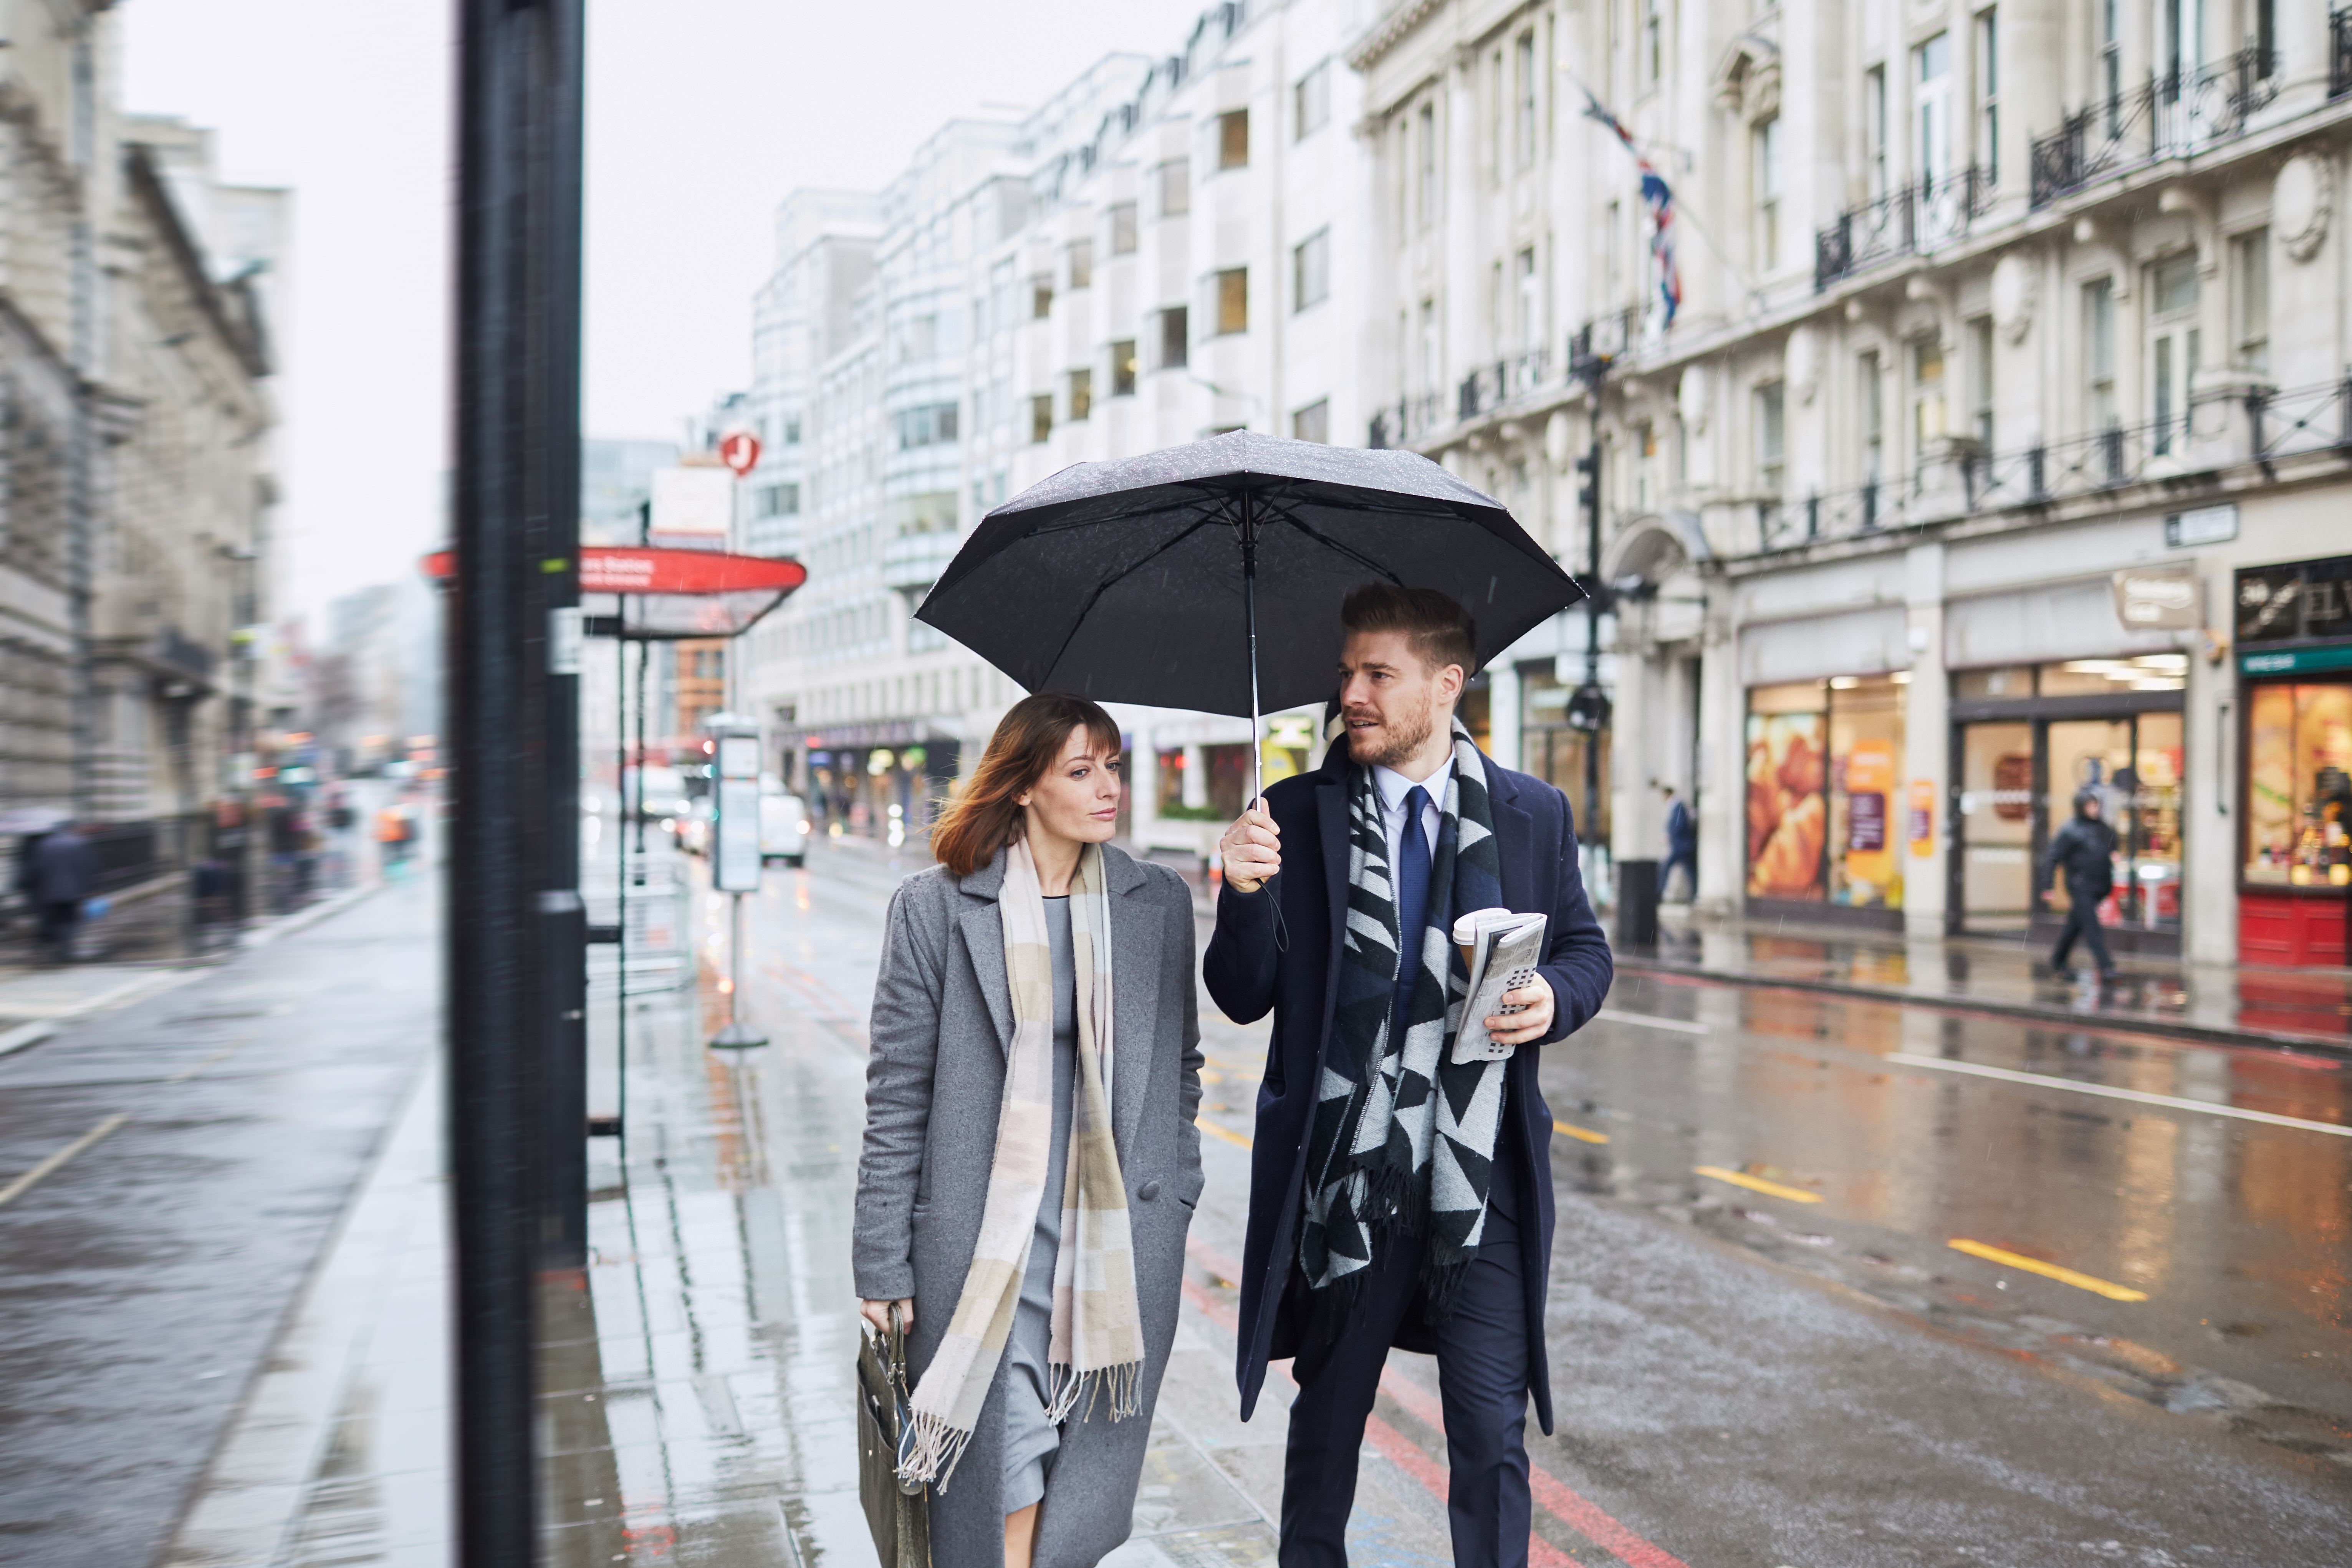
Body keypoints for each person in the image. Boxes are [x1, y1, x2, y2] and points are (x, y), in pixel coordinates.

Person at [1204, 584, 1614, 1568]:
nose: (1352, 691)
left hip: (1481, 1178)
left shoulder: (1532, 813)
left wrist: (1553, 998)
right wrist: (1243, 888)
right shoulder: (1295, 814)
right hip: (1352, 1177)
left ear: (1445, 684)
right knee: (1330, 1430)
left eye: (1378, 674)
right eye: (1347, 671)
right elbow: (1242, 992)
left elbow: (1588, 952)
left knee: (1488, 1432)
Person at [853, 693, 1204, 1568]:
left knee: (1072, 1496)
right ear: (1021, 787)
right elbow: (897, 1094)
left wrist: (1179, 1187)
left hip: (1109, 1251)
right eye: (1080, 769)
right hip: (985, 1254)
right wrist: (881, 1261)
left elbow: (1183, 1066)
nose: (1107, 786)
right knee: (1002, 1480)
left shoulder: (1154, 899)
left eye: (1113, 765)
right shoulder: (934, 910)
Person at [2042, 787, 2119, 979]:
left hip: (2100, 885)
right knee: (2092, 927)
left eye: (2096, 805)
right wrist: (2047, 886)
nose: (2094, 809)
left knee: (2075, 925)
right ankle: (2106, 966)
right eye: (2090, 805)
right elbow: (2053, 857)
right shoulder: (2070, 830)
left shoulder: (2103, 828)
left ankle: (2058, 959)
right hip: (2080, 886)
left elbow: (2113, 843)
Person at [31, 820, 94, 964]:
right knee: (70, 920)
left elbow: (38, 869)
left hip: (51, 891)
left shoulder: (43, 845)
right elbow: (86, 868)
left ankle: (60, 945)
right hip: (73, 891)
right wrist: (88, 888)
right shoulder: (79, 843)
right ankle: (67, 947)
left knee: (56, 920)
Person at [1659, 782, 1697, 903]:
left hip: (1681, 846)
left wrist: (1670, 836)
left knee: (1666, 868)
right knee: (1691, 872)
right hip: (1683, 845)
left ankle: (1658, 894)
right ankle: (1694, 896)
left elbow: (1679, 825)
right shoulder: (1677, 806)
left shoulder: (1678, 806)